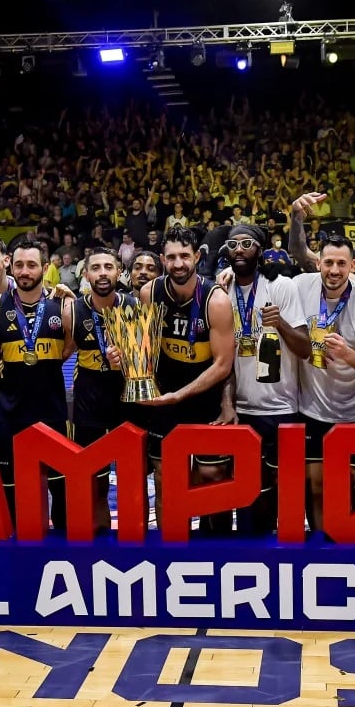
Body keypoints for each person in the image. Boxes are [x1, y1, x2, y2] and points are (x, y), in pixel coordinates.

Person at [136, 227, 235, 531]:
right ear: (163, 259)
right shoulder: (149, 292)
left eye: (184, 256)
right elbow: (145, 348)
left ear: (197, 257)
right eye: (171, 257)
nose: (178, 263)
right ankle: (169, 553)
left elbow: (222, 364)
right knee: (167, 482)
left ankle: (216, 552)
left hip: (204, 400)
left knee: (212, 481)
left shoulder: (215, 300)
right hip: (164, 401)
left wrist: (181, 395)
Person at [216, 226, 310, 534]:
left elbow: (305, 348)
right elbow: (221, 356)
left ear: (260, 249)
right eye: (233, 244)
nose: (239, 249)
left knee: (280, 491)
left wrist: (279, 322)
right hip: (240, 409)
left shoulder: (281, 286)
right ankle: (244, 553)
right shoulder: (221, 290)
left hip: (281, 407)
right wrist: (227, 403)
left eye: (247, 244)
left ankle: (277, 556)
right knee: (242, 492)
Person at [294, 234, 355, 531]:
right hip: (311, 409)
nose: (334, 270)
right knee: (316, 487)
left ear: (354, 266)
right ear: (318, 263)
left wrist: (348, 354)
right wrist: (226, 276)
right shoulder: (300, 287)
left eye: (342, 264)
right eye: (329, 263)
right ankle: (322, 552)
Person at [0, 239, 73, 529]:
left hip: (53, 411)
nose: (25, 271)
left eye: (32, 265)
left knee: (62, 495)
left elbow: (69, 348)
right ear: (10, 263)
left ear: (45, 268)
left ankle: (63, 556)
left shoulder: (62, 304)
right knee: (11, 496)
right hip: (10, 413)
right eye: (19, 264)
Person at [70, 247, 136, 532]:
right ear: (86, 275)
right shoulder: (72, 307)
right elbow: (62, 351)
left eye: (108, 267)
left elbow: (150, 361)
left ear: (119, 272)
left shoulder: (134, 306)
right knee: (92, 474)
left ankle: (135, 532)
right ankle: (99, 531)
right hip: (89, 393)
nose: (102, 273)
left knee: (132, 471)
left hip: (127, 393)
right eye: (95, 268)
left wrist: (126, 360)